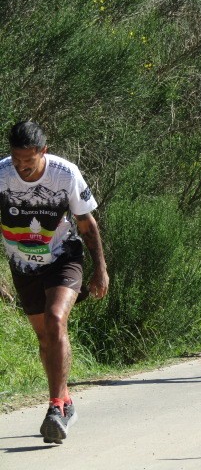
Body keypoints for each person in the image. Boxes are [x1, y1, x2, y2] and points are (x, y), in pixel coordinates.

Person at [1, 121, 109, 444]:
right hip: (22, 263)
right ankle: (66, 401)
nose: (21, 167)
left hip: (64, 256)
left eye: (28, 162)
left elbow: (86, 223)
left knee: (55, 320)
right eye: (16, 160)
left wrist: (100, 268)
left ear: (42, 152)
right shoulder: (2, 175)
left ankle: (55, 407)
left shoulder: (65, 174)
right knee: (45, 339)